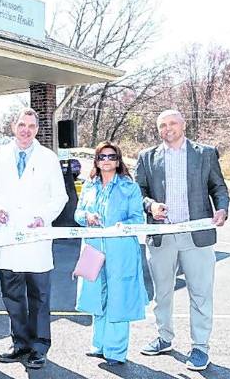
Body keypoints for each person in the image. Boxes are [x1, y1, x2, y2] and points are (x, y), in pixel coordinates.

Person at [135, 109, 229, 371]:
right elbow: (137, 191)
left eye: (173, 123)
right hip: (161, 235)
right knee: (162, 292)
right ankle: (164, 337)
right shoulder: (147, 157)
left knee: (200, 293)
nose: (168, 128)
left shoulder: (205, 153)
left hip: (196, 236)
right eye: (162, 125)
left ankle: (200, 347)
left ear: (184, 124)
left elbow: (218, 187)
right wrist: (150, 205)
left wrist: (222, 208)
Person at [0, 108, 67, 369]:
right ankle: (19, 342)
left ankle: (39, 346)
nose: (26, 130)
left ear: (37, 129)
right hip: (7, 237)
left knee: (39, 298)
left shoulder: (48, 158)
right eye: (22, 125)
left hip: (36, 238)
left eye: (31, 126)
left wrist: (43, 216)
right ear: (13, 127)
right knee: (12, 296)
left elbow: (60, 197)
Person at [74, 141, 148, 365]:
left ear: (118, 160)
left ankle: (116, 351)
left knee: (119, 298)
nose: (106, 160)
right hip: (94, 248)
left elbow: (138, 219)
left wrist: (121, 226)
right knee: (97, 296)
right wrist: (86, 217)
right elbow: (78, 213)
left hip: (121, 250)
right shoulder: (89, 185)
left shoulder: (129, 187)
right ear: (96, 160)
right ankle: (99, 345)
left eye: (111, 156)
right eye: (102, 156)